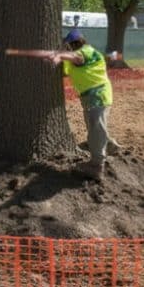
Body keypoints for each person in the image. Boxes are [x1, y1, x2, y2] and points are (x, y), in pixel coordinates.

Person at [48, 29, 122, 180]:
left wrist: (60, 54)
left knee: (96, 126)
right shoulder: (73, 59)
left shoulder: (86, 51)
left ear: (73, 45)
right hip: (90, 97)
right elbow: (65, 71)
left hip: (98, 94)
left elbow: (78, 58)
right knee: (93, 125)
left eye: (67, 46)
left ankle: (97, 166)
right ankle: (110, 146)